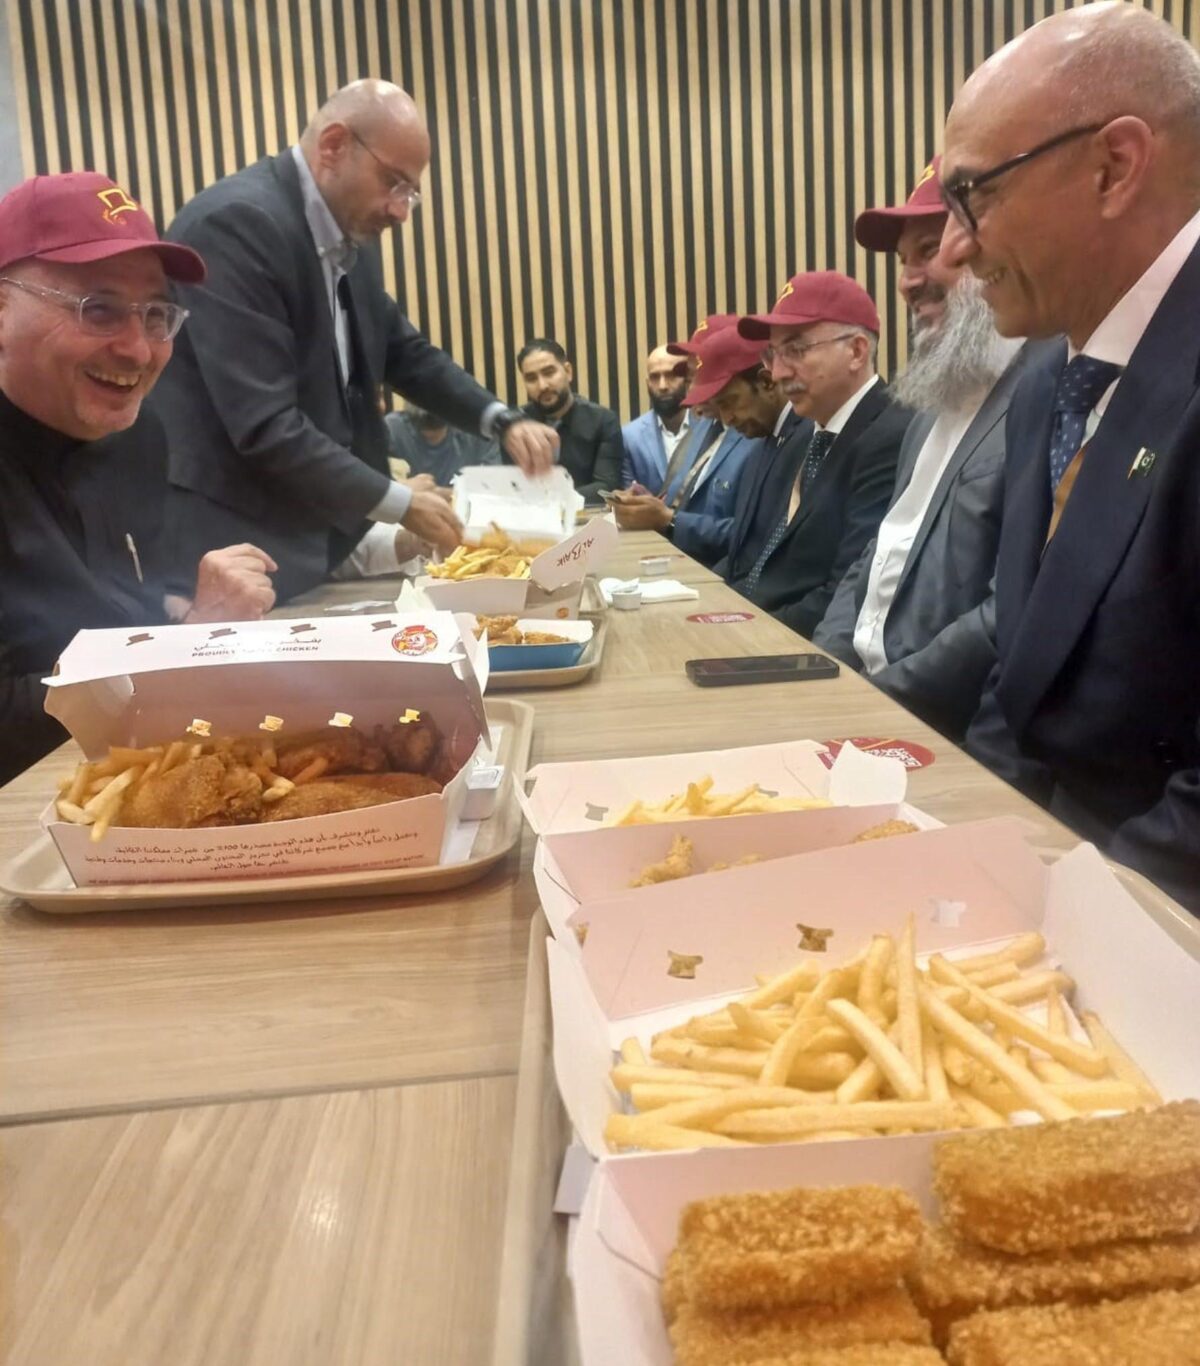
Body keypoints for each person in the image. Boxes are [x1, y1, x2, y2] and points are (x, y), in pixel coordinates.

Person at [939, 1, 1200, 909]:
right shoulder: (1050, 375)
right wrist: (962, 859)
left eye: (974, 195)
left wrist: (1070, 924)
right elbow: (1022, 683)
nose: (955, 248)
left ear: (1114, 166)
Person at [153, 79, 556, 604]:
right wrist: (399, 502)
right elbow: (265, 425)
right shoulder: (237, 224)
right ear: (334, 145)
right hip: (231, 553)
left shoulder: (348, 237)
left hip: (308, 548)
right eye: (393, 182)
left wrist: (501, 419)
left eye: (410, 192)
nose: (401, 210)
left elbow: (405, 353)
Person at [0, 172, 276, 785]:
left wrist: (196, 622)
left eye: (156, 315)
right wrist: (186, 646)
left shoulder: (137, 436)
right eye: (98, 309)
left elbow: (132, 614)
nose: (140, 350)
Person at [813, 159, 1043, 738]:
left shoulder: (1049, 389)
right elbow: (878, 552)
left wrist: (874, 703)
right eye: (903, 261)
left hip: (938, 727)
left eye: (928, 249)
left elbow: (1012, 608)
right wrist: (827, 671)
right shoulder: (928, 408)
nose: (908, 281)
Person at [734, 272, 911, 637]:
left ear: (856, 351)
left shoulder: (890, 437)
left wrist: (746, 633)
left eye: (796, 350)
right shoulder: (803, 434)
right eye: (772, 354)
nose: (777, 373)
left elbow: (847, 592)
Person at [610, 328, 758, 565]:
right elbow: (678, 502)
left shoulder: (755, 432)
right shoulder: (705, 426)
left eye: (699, 378)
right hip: (675, 558)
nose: (692, 392)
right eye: (690, 380)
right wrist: (650, 505)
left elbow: (751, 536)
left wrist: (668, 519)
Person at [513, 338, 621, 501]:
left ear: (568, 372)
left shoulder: (603, 420)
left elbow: (606, 486)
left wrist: (555, 500)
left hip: (585, 514)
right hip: (529, 514)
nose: (542, 385)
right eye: (531, 378)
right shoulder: (517, 425)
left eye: (549, 373)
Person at [621, 345, 692, 491]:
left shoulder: (710, 427)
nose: (662, 386)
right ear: (647, 383)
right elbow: (628, 495)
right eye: (654, 377)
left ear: (688, 379)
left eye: (671, 375)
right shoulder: (629, 437)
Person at [385, 402, 498, 485]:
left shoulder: (476, 430)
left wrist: (422, 492)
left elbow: (494, 487)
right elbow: (379, 489)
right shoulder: (392, 429)